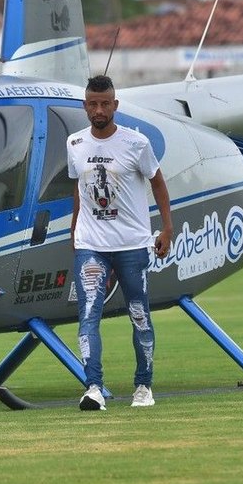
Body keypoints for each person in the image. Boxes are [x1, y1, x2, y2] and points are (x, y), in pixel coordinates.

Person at [67, 75, 174, 411]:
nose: (99, 110)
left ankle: (143, 386)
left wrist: (166, 229)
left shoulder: (136, 144)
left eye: (105, 103)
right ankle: (94, 388)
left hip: (131, 244)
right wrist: (74, 231)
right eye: (93, 104)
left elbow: (158, 183)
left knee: (139, 314)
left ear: (115, 105)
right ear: (85, 106)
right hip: (91, 245)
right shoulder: (75, 144)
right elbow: (79, 189)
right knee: (88, 315)